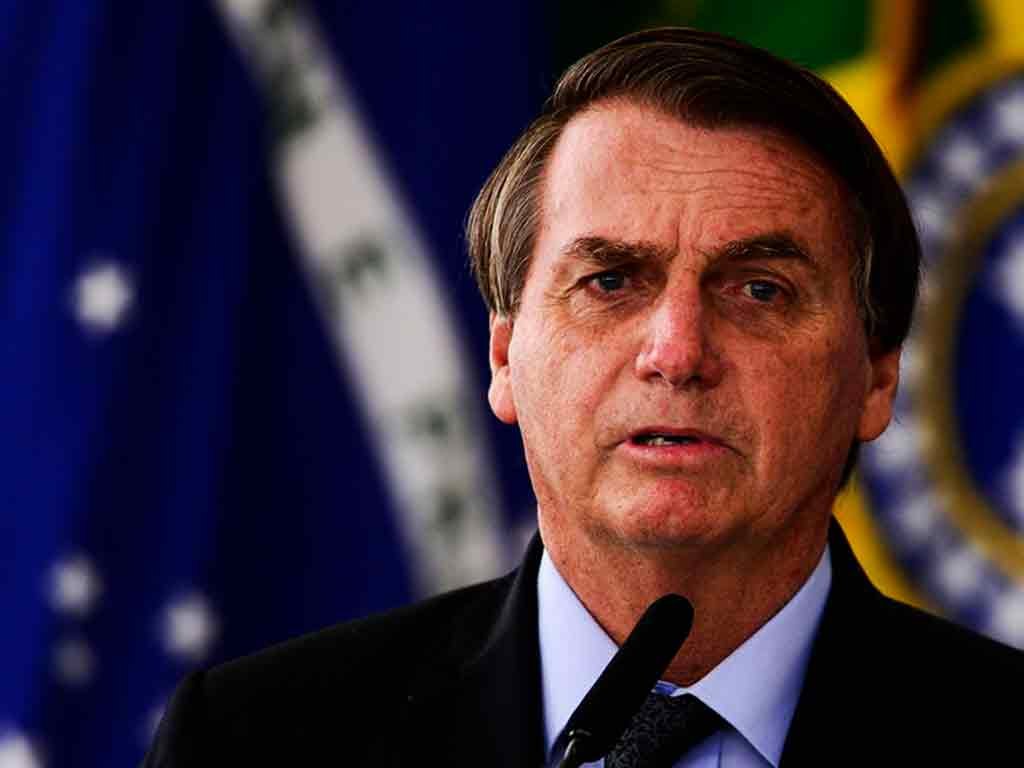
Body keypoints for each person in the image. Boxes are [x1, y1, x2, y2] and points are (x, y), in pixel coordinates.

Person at [143, 28, 1024, 767]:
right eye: (610, 281)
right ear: (504, 355)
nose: (676, 353)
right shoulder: (253, 741)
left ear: (876, 375)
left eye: (759, 290)